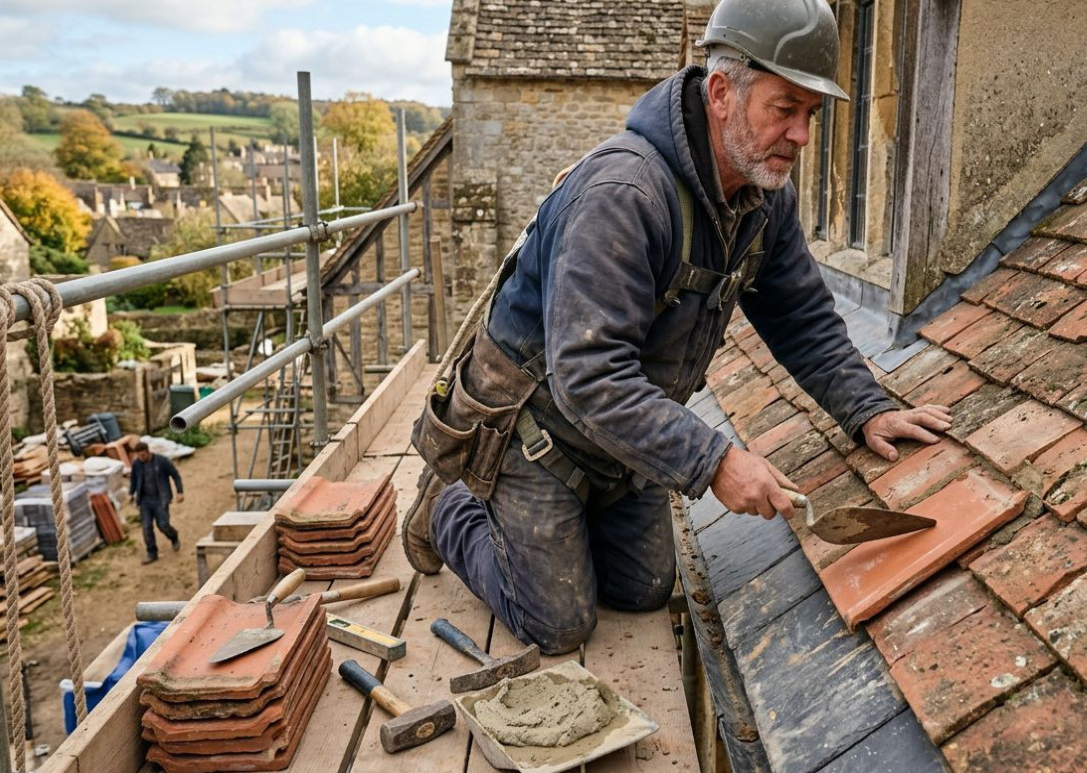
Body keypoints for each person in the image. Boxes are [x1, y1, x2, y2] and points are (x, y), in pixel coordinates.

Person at [403, 0, 952, 654]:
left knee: (641, 587)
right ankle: (448, 507)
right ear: (722, 93)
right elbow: (588, 377)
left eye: (812, 114)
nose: (802, 136)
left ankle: (567, 519)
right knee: (559, 623)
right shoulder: (626, 195)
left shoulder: (760, 195)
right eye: (785, 109)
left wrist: (864, 408)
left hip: (619, 440)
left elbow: (799, 313)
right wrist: (714, 460)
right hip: (534, 430)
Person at [128, 441, 184, 565]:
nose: (141, 458)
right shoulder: (137, 464)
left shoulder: (161, 461)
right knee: (146, 527)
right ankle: (152, 553)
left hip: (160, 498)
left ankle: (173, 536)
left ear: (148, 452)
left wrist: (179, 491)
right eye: (139, 456)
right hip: (145, 500)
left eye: (143, 455)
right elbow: (134, 479)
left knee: (163, 524)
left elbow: (175, 475)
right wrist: (131, 494)